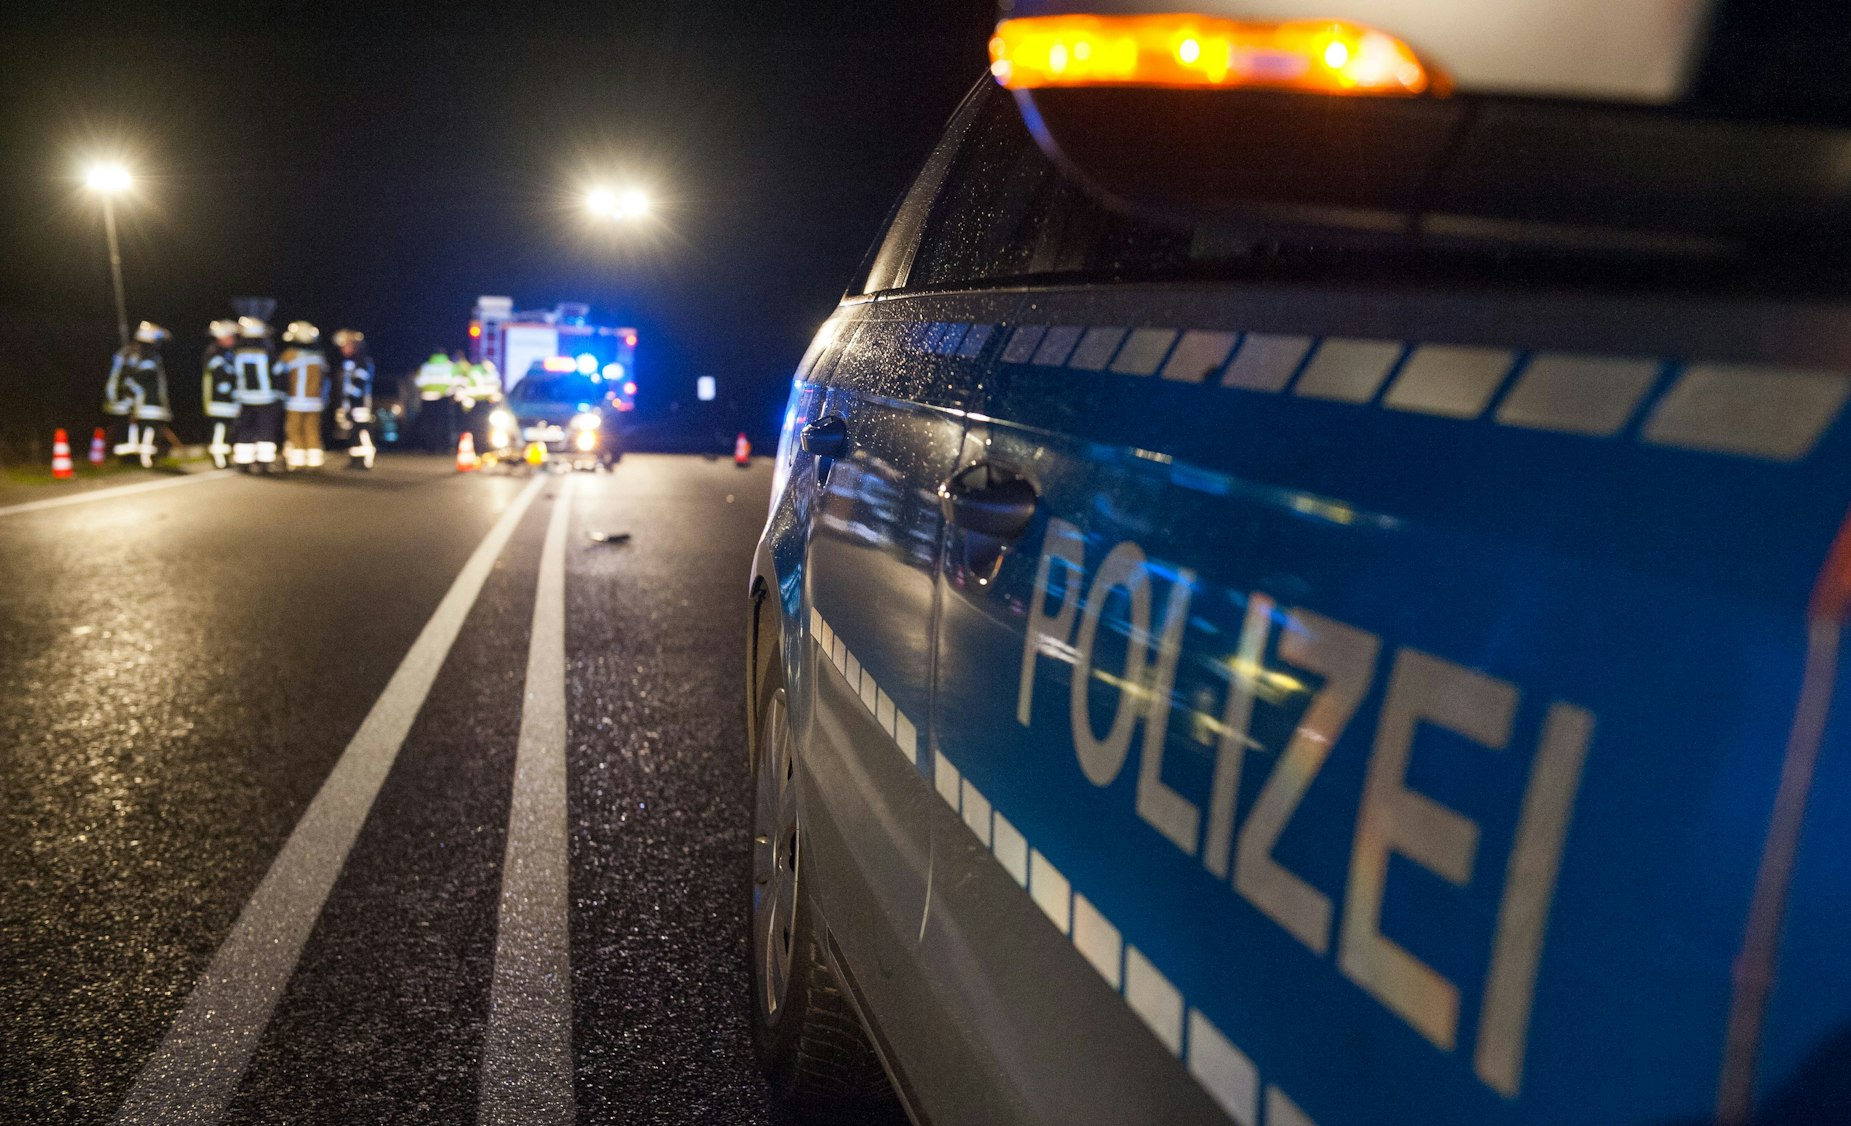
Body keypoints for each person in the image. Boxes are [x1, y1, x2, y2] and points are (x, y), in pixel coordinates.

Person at [101, 321, 173, 468]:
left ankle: (129, 460)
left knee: (128, 431)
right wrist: (136, 397)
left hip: (122, 402)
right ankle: (145, 459)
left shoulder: (126, 353)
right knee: (147, 429)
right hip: (143, 403)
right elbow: (135, 380)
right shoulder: (146, 356)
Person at [231, 316, 283, 472]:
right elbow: (278, 371)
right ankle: (264, 463)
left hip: (244, 398)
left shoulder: (237, 351)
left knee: (245, 430)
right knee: (265, 431)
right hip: (266, 399)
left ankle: (243, 463)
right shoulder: (267, 351)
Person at [277, 321, 330, 470]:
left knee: (294, 430)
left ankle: (298, 462)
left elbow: (276, 372)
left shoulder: (289, 355)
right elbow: (326, 378)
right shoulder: (320, 357)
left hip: (295, 401)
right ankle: (314, 462)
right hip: (315, 402)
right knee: (312, 430)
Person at [330, 328, 377, 469]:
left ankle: (364, 461)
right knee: (353, 433)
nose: (343, 349)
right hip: (350, 404)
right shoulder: (349, 363)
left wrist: (350, 399)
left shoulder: (362, 362)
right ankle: (355, 460)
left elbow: (358, 386)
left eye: (346, 345)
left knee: (362, 431)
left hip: (360, 405)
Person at [201, 319, 241, 468]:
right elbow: (220, 377)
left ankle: (224, 456)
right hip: (219, 400)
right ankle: (219, 458)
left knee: (228, 429)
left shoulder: (228, 353)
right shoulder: (215, 353)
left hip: (228, 401)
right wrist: (229, 390)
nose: (233, 339)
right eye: (231, 336)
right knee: (220, 428)